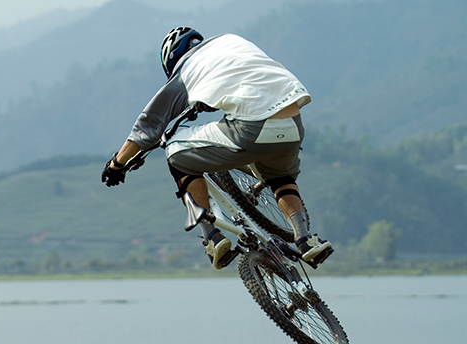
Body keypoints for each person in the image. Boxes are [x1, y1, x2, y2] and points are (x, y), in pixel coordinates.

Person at [101, 28, 332, 269]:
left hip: (252, 126)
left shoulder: (186, 69)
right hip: (292, 121)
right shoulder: (232, 41)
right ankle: (305, 239)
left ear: (172, 59)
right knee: (280, 178)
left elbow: (149, 124)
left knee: (175, 153)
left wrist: (117, 164)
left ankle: (212, 237)